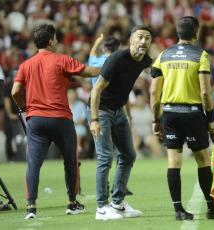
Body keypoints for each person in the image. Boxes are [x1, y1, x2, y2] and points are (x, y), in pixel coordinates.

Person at [150, 16, 214, 220]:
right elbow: (206, 93)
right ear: (196, 34)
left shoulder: (163, 55)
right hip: (192, 114)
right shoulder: (201, 56)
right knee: (203, 160)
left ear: (177, 34)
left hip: (170, 113)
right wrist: (211, 119)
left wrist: (156, 120)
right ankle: (211, 209)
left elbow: (154, 93)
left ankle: (178, 210)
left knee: (173, 162)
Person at [11, 24, 102, 219]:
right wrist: (115, 67)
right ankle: (72, 203)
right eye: (57, 39)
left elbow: (14, 91)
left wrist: (23, 108)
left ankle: (31, 208)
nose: (59, 42)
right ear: (51, 41)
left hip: (35, 120)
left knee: (33, 164)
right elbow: (91, 71)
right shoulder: (62, 60)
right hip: (61, 119)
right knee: (70, 162)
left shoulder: (26, 65)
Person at [88, 25, 153, 220]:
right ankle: (101, 207)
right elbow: (96, 90)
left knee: (128, 154)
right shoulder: (116, 59)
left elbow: (158, 71)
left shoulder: (145, 60)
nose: (144, 41)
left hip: (119, 111)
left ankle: (118, 202)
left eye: (147, 38)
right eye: (140, 37)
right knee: (105, 157)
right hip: (101, 111)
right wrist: (94, 120)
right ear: (131, 40)